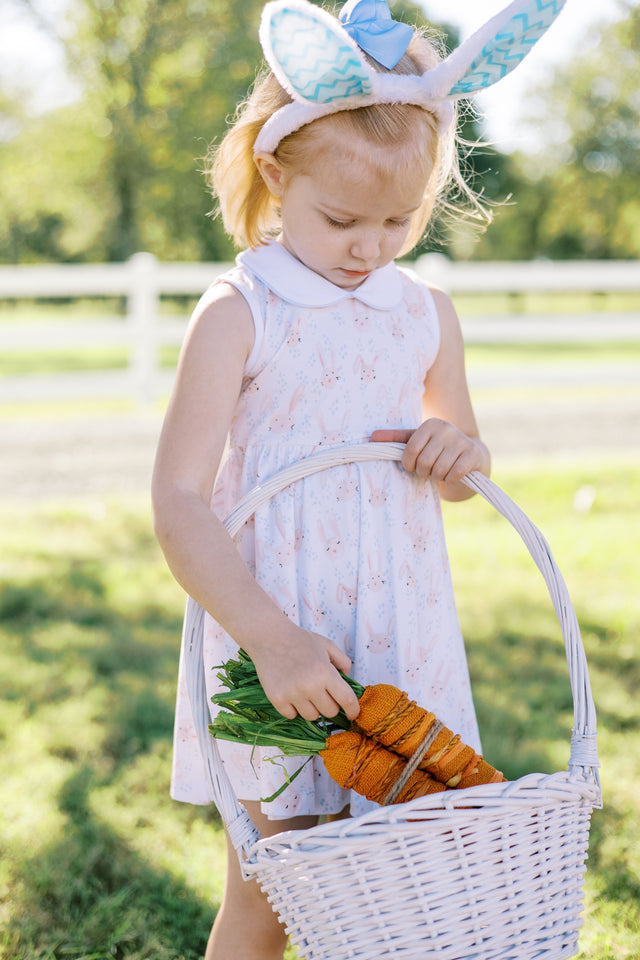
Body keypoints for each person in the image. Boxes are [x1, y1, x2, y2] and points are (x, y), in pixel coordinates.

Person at [151, 1, 567, 956]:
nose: (371, 247)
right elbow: (178, 501)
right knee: (275, 879)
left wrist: (459, 453)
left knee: (403, 883)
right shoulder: (241, 312)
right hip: (278, 628)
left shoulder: (423, 313)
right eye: (342, 218)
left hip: (399, 627)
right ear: (274, 172)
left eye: (398, 220)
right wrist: (271, 642)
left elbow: (460, 464)